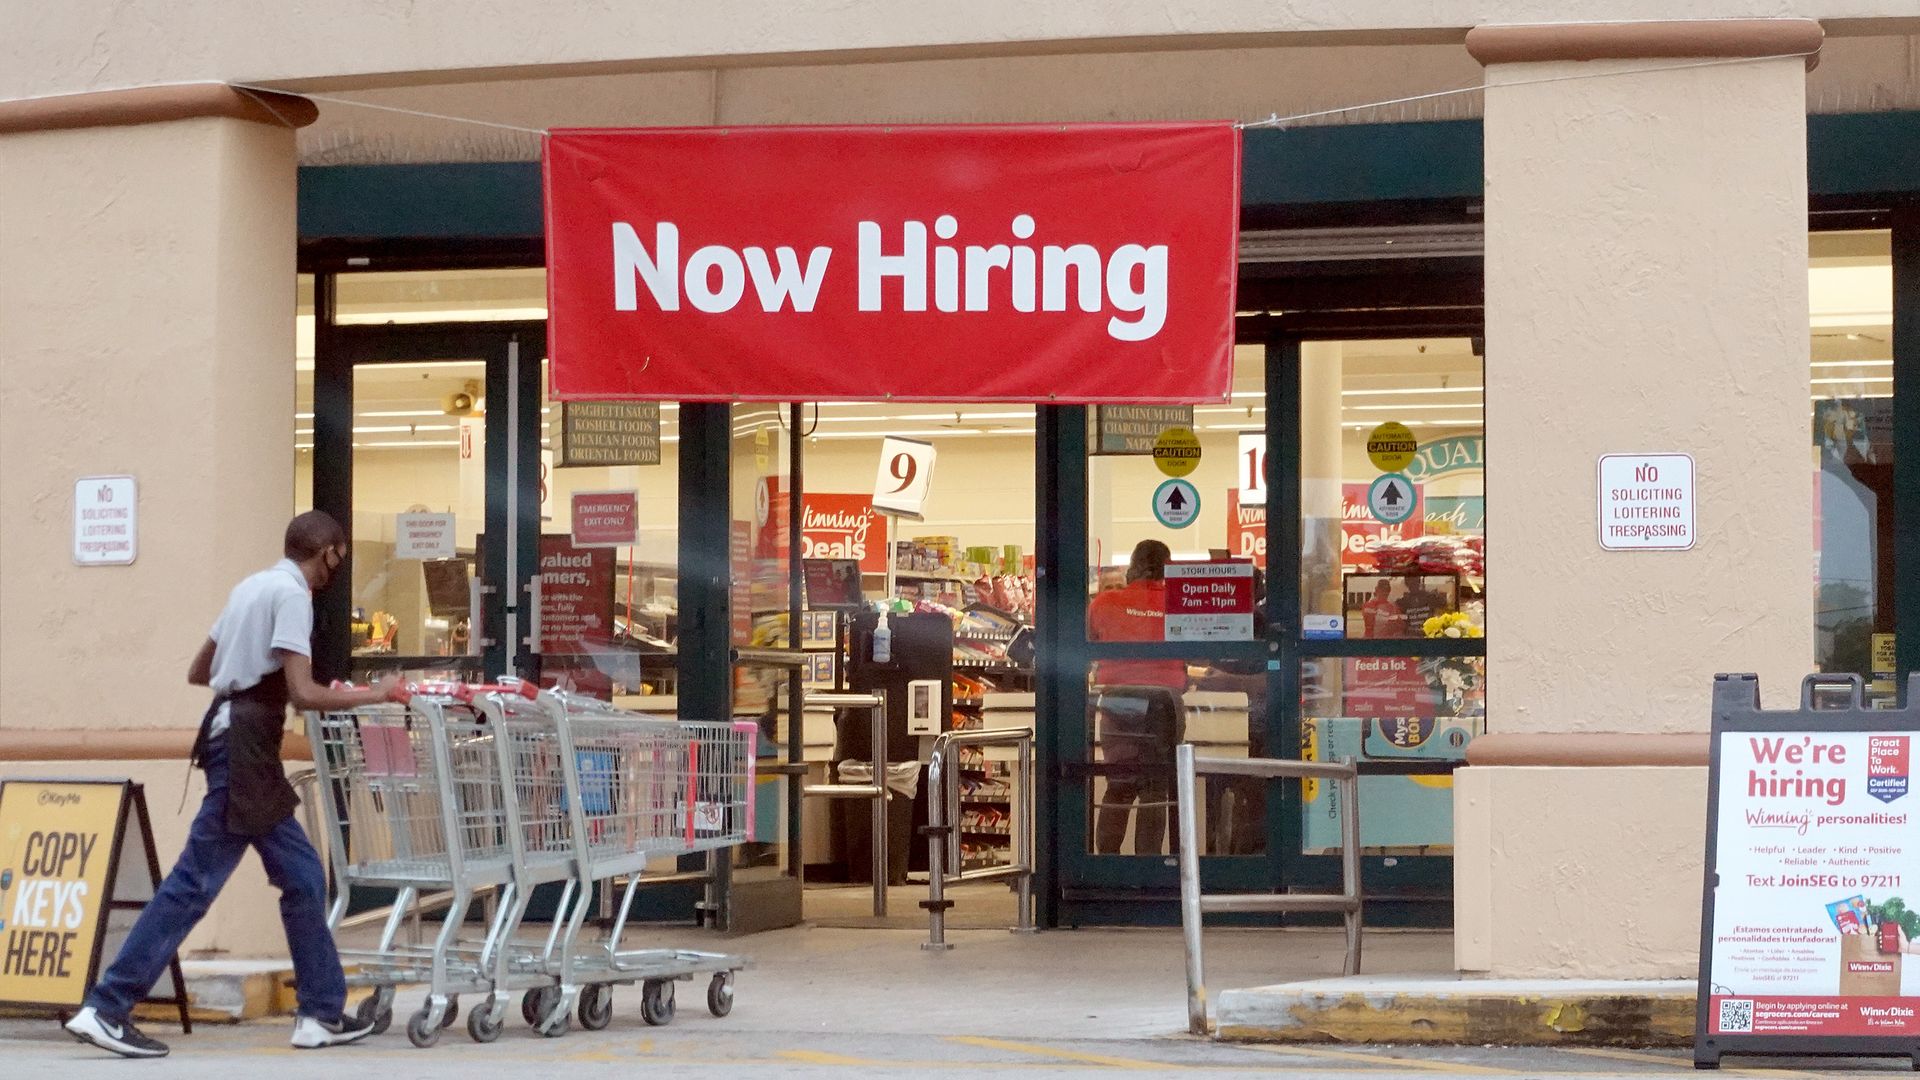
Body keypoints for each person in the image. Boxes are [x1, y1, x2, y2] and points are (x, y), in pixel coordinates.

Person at [65, 512, 402, 1059]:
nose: (335, 569)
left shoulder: (251, 586)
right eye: (337, 557)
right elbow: (304, 693)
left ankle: (319, 1013)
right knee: (193, 885)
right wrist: (376, 694)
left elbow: (202, 670)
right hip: (248, 746)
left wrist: (243, 669)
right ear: (329, 553)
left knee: (302, 877)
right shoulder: (292, 595)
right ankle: (107, 1006)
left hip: (229, 733)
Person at [1087, 539, 1187, 855]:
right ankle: (1148, 866)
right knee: (1154, 790)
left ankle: (1105, 863)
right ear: (1167, 567)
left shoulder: (1103, 603)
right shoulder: (1179, 603)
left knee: (1118, 786)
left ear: (1133, 566)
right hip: (1163, 704)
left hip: (1117, 701)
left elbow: (1089, 645)